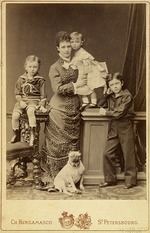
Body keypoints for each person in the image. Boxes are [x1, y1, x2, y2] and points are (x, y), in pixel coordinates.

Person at [40, 31, 87, 180]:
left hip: (75, 109)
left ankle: (72, 178)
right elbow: (57, 89)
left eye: (69, 46)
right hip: (59, 112)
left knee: (73, 147)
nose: (67, 49)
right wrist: (76, 85)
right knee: (57, 146)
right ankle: (56, 177)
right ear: (57, 48)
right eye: (63, 46)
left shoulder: (78, 63)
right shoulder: (55, 67)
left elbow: (87, 78)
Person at [98, 72, 137, 189]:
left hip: (125, 126)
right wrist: (106, 93)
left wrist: (106, 112)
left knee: (128, 153)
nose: (115, 86)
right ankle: (110, 179)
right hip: (114, 126)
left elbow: (119, 113)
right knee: (107, 153)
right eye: (111, 85)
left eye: (117, 83)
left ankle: (131, 181)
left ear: (122, 83)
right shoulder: (111, 96)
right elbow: (100, 104)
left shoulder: (127, 96)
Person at [11, 55, 47, 146]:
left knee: (31, 111)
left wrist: (42, 105)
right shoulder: (21, 79)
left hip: (33, 101)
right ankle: (15, 134)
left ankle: (32, 134)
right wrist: (21, 102)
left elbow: (43, 96)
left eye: (35, 67)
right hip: (22, 101)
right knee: (15, 115)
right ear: (25, 67)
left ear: (38, 67)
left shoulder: (40, 80)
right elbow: (17, 94)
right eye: (30, 66)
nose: (32, 69)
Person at [70, 31, 108, 110]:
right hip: (81, 72)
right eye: (72, 42)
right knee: (81, 87)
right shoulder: (75, 54)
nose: (74, 44)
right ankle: (85, 102)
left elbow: (92, 60)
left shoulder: (83, 53)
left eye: (77, 42)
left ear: (81, 42)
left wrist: (99, 68)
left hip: (87, 72)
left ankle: (93, 102)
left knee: (90, 87)